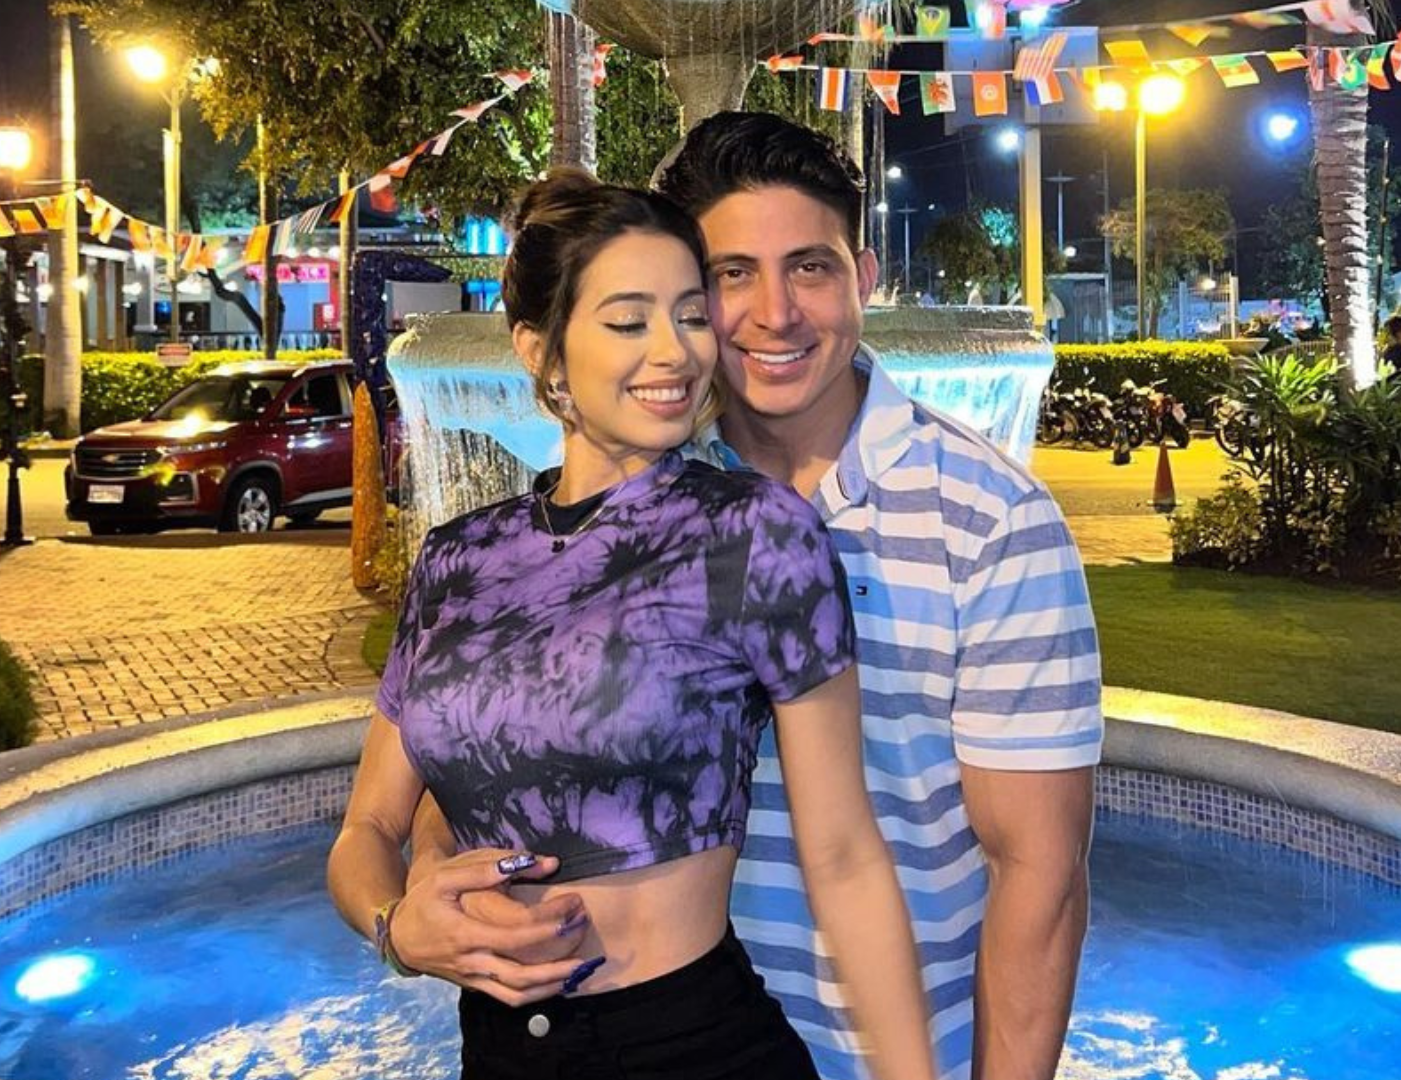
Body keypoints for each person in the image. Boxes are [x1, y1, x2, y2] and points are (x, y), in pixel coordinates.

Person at [392, 113, 1104, 1080]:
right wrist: (424, 891)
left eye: (810, 267)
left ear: (865, 276)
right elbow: (489, 753)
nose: (776, 313)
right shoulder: (631, 500)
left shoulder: (990, 518)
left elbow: (1041, 875)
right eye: (732, 275)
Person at [326, 169, 938, 1080]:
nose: (674, 352)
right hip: (498, 1054)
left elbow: (844, 856)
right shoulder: (456, 560)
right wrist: (395, 928)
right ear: (542, 351)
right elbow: (368, 829)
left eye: (690, 316)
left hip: (692, 1048)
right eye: (628, 322)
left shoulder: (753, 533)